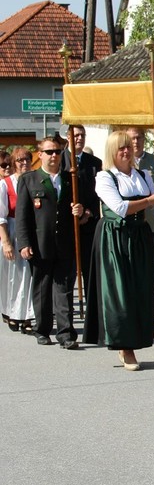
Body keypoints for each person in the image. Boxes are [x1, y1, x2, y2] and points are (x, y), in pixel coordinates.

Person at [83, 130, 154, 371]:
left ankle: (137, 339)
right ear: (112, 151)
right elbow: (121, 208)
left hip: (140, 237)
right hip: (115, 237)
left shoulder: (143, 175)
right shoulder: (104, 177)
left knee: (142, 290)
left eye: (128, 147)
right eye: (121, 148)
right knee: (120, 292)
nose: (126, 151)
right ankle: (125, 347)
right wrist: (150, 201)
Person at [15, 137, 85, 349]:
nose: (54, 155)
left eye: (57, 151)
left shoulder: (70, 179)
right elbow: (22, 215)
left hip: (64, 243)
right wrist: (24, 243)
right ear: (40, 155)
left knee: (64, 290)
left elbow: (82, 209)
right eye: (49, 152)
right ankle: (42, 330)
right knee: (42, 289)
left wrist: (81, 211)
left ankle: (66, 334)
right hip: (40, 243)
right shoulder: (29, 179)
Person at [63, 125, 102, 292]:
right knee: (67, 274)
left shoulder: (95, 163)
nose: (79, 138)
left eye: (82, 135)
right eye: (76, 135)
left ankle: (91, 307)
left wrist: (89, 212)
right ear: (68, 137)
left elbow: (99, 192)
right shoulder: (60, 160)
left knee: (91, 272)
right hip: (66, 226)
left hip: (89, 224)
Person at [0, 147, 35, 334]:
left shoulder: (34, 180)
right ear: (14, 163)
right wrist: (6, 242)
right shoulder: (5, 185)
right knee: (14, 276)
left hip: (32, 231)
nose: (24, 163)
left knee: (30, 276)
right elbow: (1, 216)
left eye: (27, 159)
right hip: (13, 231)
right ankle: (12, 312)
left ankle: (28, 315)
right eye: (20, 160)